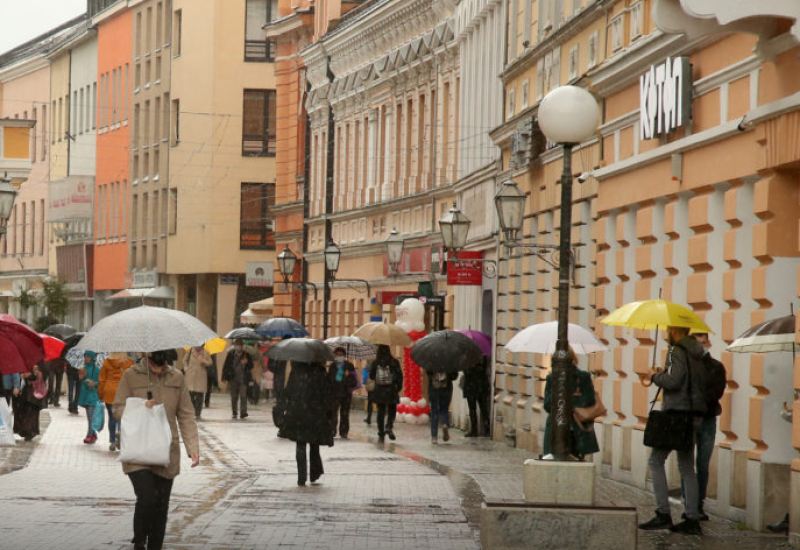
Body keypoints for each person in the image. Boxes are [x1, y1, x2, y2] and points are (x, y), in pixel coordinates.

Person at [113, 349, 200, 550]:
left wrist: (192, 447)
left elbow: (186, 414)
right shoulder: (131, 375)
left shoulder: (177, 377)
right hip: (138, 450)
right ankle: (139, 539)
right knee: (147, 497)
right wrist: (141, 407)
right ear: (145, 352)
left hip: (165, 452)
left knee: (161, 508)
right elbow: (117, 408)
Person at [639, 326, 707, 535]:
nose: (666, 333)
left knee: (655, 460)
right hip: (693, 413)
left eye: (668, 329)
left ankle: (663, 514)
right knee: (687, 467)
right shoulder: (697, 352)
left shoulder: (676, 350)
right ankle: (692, 519)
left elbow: (675, 381)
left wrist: (655, 377)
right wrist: (664, 374)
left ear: (674, 331)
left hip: (676, 414)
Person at [682, 332, 726, 521]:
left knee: (702, 463)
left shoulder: (716, 367)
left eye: (701, 343)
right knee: (686, 464)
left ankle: (699, 504)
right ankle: (689, 504)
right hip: (688, 419)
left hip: (707, 419)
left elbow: (716, 392)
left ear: (708, 343)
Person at [278, 361, 334, 486]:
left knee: (300, 444)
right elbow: (327, 393)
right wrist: (328, 412)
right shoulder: (320, 372)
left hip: (298, 413)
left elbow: (288, 391)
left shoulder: (297, 371)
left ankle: (301, 476)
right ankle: (314, 473)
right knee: (314, 444)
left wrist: (286, 405)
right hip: (316, 413)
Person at [543, 347, 600, 460]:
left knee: (575, 460)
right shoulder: (552, 378)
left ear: (571, 359)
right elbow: (547, 405)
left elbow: (589, 400)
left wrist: (568, 401)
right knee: (553, 461)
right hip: (555, 428)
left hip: (576, 427)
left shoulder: (582, 377)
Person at [98, 352, 134, 451]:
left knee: (112, 417)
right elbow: (132, 379)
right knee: (122, 416)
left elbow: (102, 380)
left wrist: (100, 394)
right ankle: (121, 438)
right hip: (123, 392)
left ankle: (113, 441)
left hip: (109, 392)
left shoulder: (107, 362)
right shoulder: (129, 362)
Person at [368, 345, 403, 444]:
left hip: (380, 390)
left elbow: (371, 376)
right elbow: (399, 376)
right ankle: (388, 426)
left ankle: (381, 432)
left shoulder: (376, 362)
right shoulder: (394, 362)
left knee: (381, 411)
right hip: (391, 389)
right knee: (392, 409)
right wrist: (398, 387)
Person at [329, 347, 357, 439]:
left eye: (341, 355)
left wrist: (347, 377)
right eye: (338, 355)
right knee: (333, 413)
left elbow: (354, 382)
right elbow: (330, 379)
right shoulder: (333, 366)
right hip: (334, 393)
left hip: (346, 393)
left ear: (344, 356)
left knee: (345, 413)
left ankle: (344, 431)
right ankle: (332, 430)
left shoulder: (349, 366)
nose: (339, 357)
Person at [221, 339, 253, 419]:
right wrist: (224, 377)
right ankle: (234, 412)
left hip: (243, 379)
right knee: (234, 396)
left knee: (243, 396)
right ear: (234, 346)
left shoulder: (247, 355)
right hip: (233, 378)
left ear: (242, 346)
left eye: (240, 344)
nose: (238, 346)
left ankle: (243, 412)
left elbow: (251, 366)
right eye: (236, 344)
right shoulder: (231, 355)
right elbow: (226, 366)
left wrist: (246, 363)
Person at [13, 364, 44, 441]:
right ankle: (25, 431)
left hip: (31, 396)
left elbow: (39, 376)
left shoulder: (35, 364)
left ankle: (29, 431)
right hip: (24, 395)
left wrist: (31, 375)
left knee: (30, 413)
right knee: (22, 412)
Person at [462, 356, 491, 437]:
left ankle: (474, 430)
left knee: (473, 409)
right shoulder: (482, 358)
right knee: (483, 408)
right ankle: (487, 428)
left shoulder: (467, 358)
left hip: (471, 387)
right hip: (481, 386)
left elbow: (466, 372)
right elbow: (484, 370)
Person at [427, 369, 458, 444]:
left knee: (434, 411)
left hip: (434, 388)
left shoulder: (432, 360)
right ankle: (445, 424)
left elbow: (428, 373)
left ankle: (434, 437)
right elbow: (454, 375)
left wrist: (435, 374)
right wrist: (447, 375)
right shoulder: (449, 361)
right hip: (446, 388)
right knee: (444, 409)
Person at [181, 346, 211, 419]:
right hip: (190, 375)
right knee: (191, 395)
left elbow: (210, 362)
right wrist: (186, 368)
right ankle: (192, 411)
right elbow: (184, 360)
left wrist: (205, 362)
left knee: (199, 396)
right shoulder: (190, 350)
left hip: (201, 376)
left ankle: (198, 413)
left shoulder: (205, 352)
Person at [78, 351, 101, 444]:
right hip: (85, 395)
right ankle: (93, 434)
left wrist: (94, 383)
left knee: (91, 417)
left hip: (93, 395)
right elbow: (81, 380)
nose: (86, 358)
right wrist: (81, 377)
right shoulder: (84, 368)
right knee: (89, 417)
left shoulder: (97, 369)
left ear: (92, 357)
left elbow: (100, 382)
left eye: (88, 356)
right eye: (85, 356)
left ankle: (89, 436)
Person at [270, 335, 291, 402]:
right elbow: (270, 366)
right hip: (279, 381)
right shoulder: (276, 352)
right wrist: (277, 364)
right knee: (280, 401)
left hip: (289, 382)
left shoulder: (293, 353)